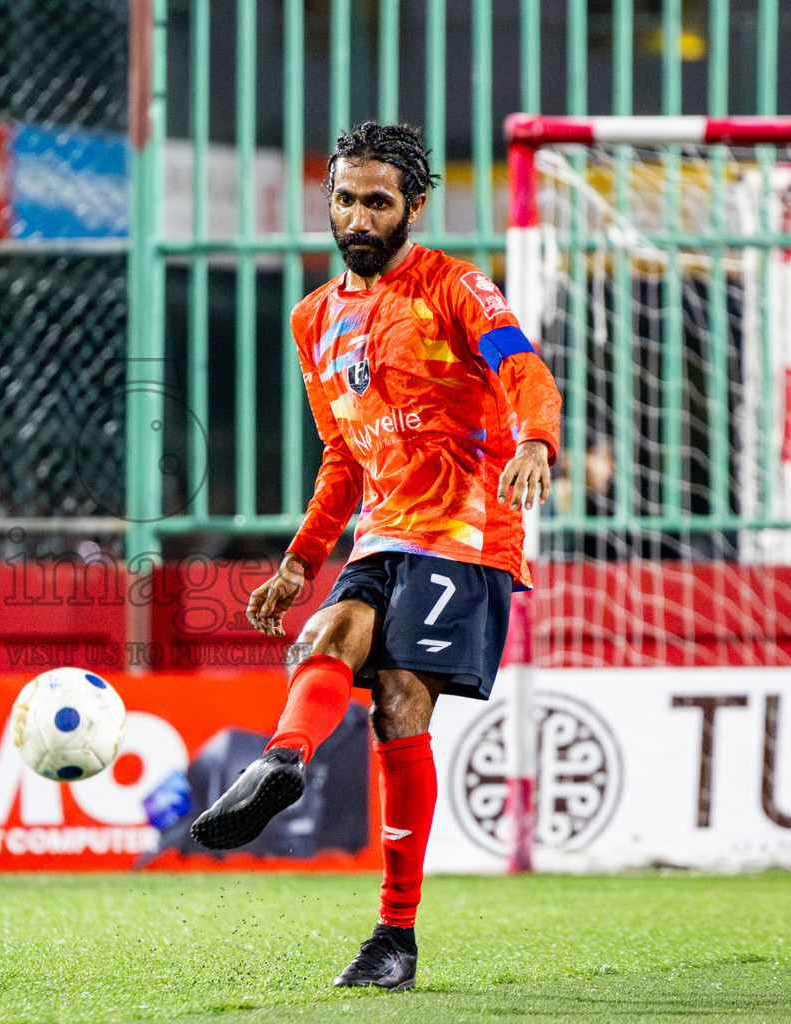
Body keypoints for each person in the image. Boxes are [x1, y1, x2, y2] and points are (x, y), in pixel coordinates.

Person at [189, 122, 561, 991]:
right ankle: (281, 764)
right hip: (384, 531)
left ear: (413, 208)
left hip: (467, 532)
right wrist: (296, 559)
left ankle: (395, 936)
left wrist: (537, 441)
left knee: (398, 698)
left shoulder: (457, 286)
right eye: (346, 199)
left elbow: (522, 368)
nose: (359, 216)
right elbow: (342, 457)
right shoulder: (313, 318)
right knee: (325, 633)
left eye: (378, 201)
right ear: (329, 202)